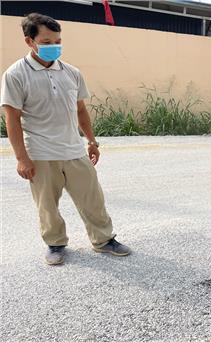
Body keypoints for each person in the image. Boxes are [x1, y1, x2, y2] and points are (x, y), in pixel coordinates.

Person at [1, 13, 131, 265]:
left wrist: (92, 141)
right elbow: (12, 119)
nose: (54, 47)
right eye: (47, 42)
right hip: (40, 152)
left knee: (93, 198)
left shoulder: (71, 72)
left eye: (58, 41)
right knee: (47, 205)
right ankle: (55, 244)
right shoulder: (15, 74)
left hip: (74, 149)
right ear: (30, 42)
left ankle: (103, 239)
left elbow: (80, 110)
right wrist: (21, 158)